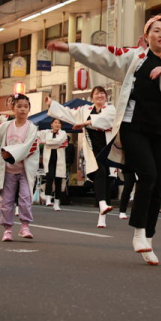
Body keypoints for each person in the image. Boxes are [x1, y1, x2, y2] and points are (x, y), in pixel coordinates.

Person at [48, 14, 161, 264]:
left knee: (159, 184)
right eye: (156, 31)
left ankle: (148, 236)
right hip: (133, 126)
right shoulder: (135, 57)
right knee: (147, 175)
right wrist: (72, 48)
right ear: (146, 36)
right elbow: (104, 55)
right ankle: (138, 232)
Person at [47, 86, 116, 221]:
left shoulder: (111, 109)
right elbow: (69, 113)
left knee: (106, 181)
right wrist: (52, 104)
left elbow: (106, 120)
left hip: (107, 148)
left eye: (102, 93)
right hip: (92, 149)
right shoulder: (85, 109)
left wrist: (86, 122)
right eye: (96, 94)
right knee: (100, 172)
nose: (99, 96)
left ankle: (102, 214)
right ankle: (102, 205)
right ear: (92, 97)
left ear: (106, 97)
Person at [0, 94, 41, 241]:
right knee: (6, 200)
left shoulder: (32, 128)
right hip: (8, 170)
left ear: (29, 109)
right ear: (13, 108)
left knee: (25, 198)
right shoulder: (6, 126)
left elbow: (28, 147)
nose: (22, 109)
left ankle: (24, 226)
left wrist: (11, 155)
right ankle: (7, 229)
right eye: (19, 106)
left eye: (26, 107)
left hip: (24, 170)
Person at [40, 117, 69, 213]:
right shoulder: (46, 132)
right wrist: (51, 143)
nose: (57, 124)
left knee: (58, 181)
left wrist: (46, 142)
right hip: (49, 159)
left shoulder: (63, 133)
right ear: (51, 124)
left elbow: (59, 141)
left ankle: (56, 202)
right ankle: (48, 198)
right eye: (55, 122)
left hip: (59, 159)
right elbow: (36, 135)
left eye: (59, 123)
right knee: (49, 177)